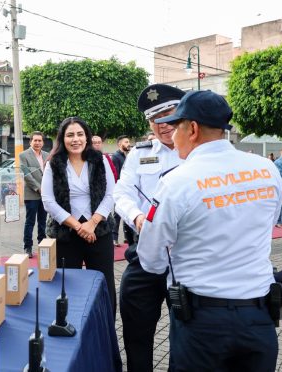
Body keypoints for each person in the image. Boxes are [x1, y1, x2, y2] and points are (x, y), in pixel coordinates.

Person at [138, 90, 282, 371]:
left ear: (191, 129)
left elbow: (151, 259)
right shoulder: (267, 169)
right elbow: (267, 222)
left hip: (202, 324)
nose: (170, 132)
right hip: (258, 317)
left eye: (175, 126)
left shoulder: (177, 181)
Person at [113, 83, 185, 372]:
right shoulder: (139, 153)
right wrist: (137, 218)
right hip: (146, 251)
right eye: (155, 120)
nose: (163, 125)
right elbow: (122, 192)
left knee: (186, 335)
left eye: (168, 115)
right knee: (135, 331)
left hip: (186, 258)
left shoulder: (197, 153)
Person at [41, 117, 117, 314]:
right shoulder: (54, 163)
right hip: (66, 233)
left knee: (104, 284)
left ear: (87, 137)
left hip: (98, 231)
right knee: (67, 285)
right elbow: (48, 201)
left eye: (80, 134)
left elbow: (111, 194)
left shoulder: (100, 160)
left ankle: (105, 325)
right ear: (62, 138)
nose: (75, 139)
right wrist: (78, 226)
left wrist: (92, 223)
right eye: (70, 135)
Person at [19, 131, 50, 258]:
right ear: (30, 141)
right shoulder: (23, 155)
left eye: (40, 140)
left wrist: (47, 189)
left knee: (43, 221)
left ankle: (42, 245)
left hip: (46, 195)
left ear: (43, 142)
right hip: (32, 194)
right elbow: (26, 175)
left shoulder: (47, 155)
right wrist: (39, 188)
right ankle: (28, 247)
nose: (37, 143)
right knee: (30, 221)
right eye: (35, 140)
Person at [111, 135, 132, 246]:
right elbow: (116, 175)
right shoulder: (116, 157)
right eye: (126, 142)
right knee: (117, 214)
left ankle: (126, 237)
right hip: (119, 190)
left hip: (127, 189)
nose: (128, 144)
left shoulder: (127, 156)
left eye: (129, 142)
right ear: (120, 144)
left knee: (126, 212)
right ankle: (114, 238)